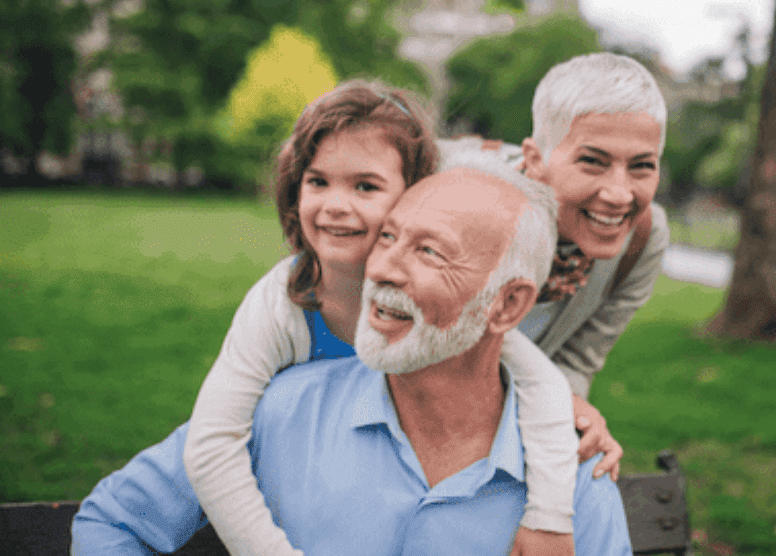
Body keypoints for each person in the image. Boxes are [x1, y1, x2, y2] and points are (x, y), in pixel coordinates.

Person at [71, 164, 632, 556]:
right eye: (387, 237)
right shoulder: (280, 413)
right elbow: (113, 522)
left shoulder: (577, 475)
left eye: (429, 251)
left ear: (507, 305)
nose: (383, 268)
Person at [178, 80, 578, 556]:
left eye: (365, 186)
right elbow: (211, 444)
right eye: (317, 181)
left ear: (416, 194)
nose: (335, 205)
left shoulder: (444, 313)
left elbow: (541, 382)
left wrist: (550, 518)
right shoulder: (283, 301)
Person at [445, 52, 670, 482]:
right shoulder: (459, 200)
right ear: (534, 160)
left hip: (501, 422)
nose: (620, 195)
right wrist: (548, 397)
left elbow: (576, 359)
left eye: (642, 166)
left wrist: (569, 410)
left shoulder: (643, 240)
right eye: (593, 161)